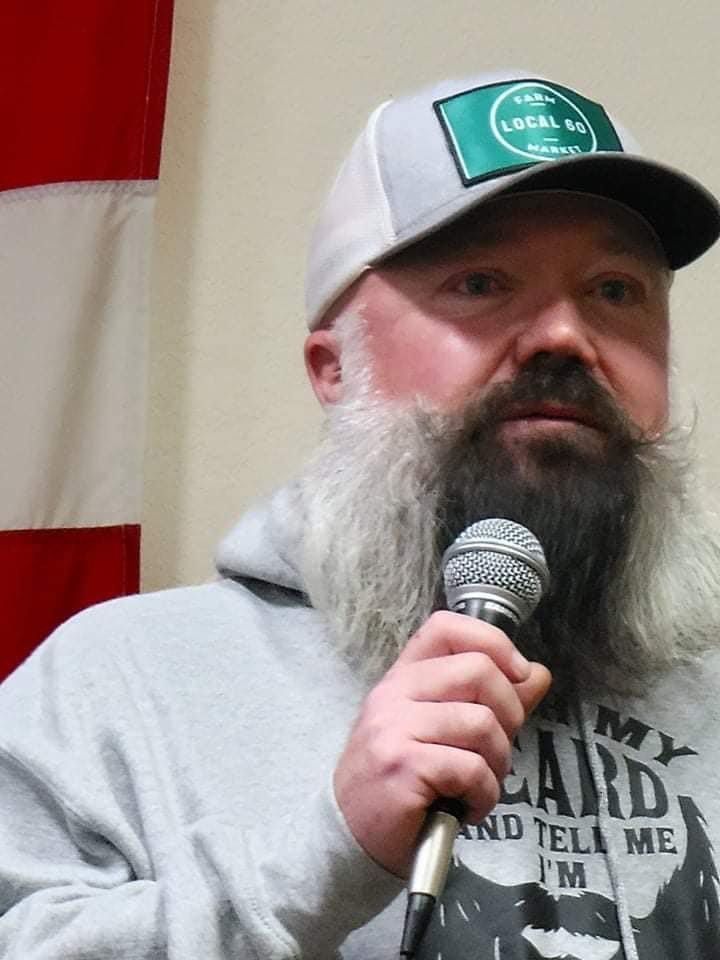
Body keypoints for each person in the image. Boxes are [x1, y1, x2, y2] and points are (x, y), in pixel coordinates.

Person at [1, 68, 720, 960]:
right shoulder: (116, 685)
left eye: (616, 290)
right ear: (333, 367)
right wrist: (322, 858)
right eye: (481, 281)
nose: (566, 336)